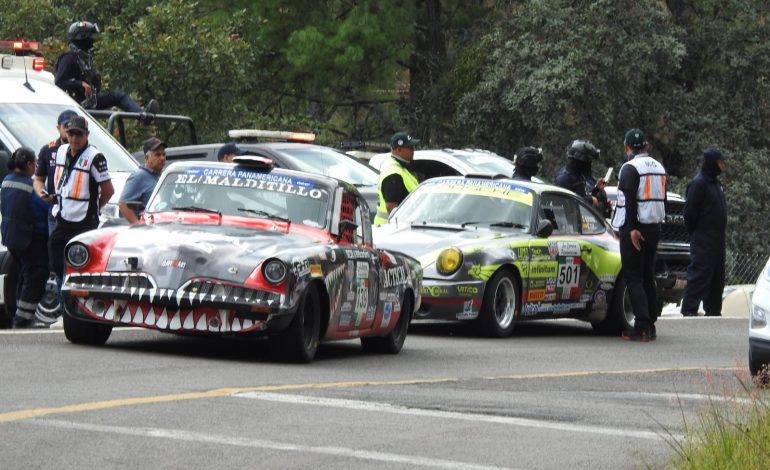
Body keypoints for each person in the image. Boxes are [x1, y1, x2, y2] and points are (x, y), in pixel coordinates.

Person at [611, 128, 667, 341]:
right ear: (646, 146)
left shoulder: (630, 168)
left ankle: (641, 325)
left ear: (627, 148)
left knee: (633, 278)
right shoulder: (659, 167)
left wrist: (632, 228)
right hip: (654, 227)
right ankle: (651, 325)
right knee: (647, 277)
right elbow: (663, 200)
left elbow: (630, 200)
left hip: (635, 228)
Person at [48, 115, 114, 283]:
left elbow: (108, 190)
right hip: (63, 217)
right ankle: (64, 292)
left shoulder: (95, 157)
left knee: (81, 267)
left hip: (85, 221)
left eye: (79, 134)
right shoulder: (61, 151)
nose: (75, 138)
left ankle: (76, 297)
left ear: (87, 135)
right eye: (71, 134)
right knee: (55, 255)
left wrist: (96, 208)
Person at [55, 21, 159, 119]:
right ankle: (141, 116)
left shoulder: (84, 58)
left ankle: (141, 116)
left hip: (90, 101)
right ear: (82, 38)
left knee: (119, 96)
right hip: (76, 105)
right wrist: (80, 83)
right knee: (117, 99)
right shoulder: (68, 58)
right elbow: (59, 81)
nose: (92, 41)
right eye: (90, 37)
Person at [1, 148, 51, 328]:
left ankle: (18, 315)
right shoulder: (30, 186)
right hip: (30, 238)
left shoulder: (6, 181)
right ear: (30, 165)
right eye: (35, 163)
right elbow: (46, 208)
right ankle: (23, 319)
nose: (36, 166)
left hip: (11, 236)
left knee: (23, 275)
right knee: (36, 276)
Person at [680, 147, 728, 317]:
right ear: (711, 163)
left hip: (717, 239)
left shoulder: (716, 183)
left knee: (717, 277)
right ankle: (689, 309)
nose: (723, 165)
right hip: (703, 239)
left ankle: (713, 310)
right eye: (720, 162)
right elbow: (689, 214)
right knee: (699, 274)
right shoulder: (698, 183)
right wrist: (698, 234)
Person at [34, 110, 78, 234]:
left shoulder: (87, 151)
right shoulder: (48, 150)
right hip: (56, 210)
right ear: (58, 128)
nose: (70, 131)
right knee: (55, 250)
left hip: (79, 212)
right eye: (66, 126)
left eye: (73, 127)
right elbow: (38, 179)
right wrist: (43, 193)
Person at [374, 131, 421, 224]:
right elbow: (392, 207)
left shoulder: (401, 168)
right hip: (389, 230)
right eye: (410, 147)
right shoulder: (393, 174)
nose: (413, 151)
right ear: (399, 150)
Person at [554, 139, 609, 216]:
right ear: (579, 161)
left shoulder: (581, 176)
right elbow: (564, 204)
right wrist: (589, 200)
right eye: (587, 161)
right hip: (568, 225)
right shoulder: (563, 178)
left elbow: (582, 194)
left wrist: (596, 189)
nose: (589, 164)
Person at [119, 137, 166, 224]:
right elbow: (123, 204)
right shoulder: (139, 177)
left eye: (164, 154)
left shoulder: (163, 176)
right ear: (146, 158)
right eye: (158, 155)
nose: (162, 158)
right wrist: (138, 226)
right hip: (147, 230)